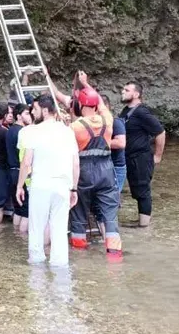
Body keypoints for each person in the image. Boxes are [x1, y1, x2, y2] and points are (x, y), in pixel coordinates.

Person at [16, 94, 79, 267]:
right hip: (62, 186)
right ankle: (60, 270)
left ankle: (36, 270)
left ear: (44, 110)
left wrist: (19, 186)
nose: (33, 112)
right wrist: (74, 189)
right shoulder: (67, 131)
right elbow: (75, 163)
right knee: (59, 229)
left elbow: (26, 162)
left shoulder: (33, 131)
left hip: (40, 185)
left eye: (35, 109)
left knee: (37, 228)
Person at [68, 77, 122, 259]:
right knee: (110, 215)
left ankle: (80, 254)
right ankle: (114, 256)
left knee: (79, 212)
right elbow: (99, 101)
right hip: (106, 169)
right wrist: (86, 84)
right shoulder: (108, 120)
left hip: (84, 171)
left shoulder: (74, 127)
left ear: (80, 105)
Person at [120, 81, 166, 227]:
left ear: (136, 94)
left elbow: (160, 132)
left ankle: (144, 225)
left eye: (126, 90)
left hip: (141, 157)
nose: (122, 91)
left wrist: (158, 156)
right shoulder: (125, 111)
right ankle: (141, 220)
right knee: (136, 190)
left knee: (143, 189)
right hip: (130, 157)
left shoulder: (142, 112)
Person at [6, 103, 32, 234]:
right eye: (27, 113)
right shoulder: (23, 132)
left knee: (18, 208)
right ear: (19, 116)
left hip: (11, 172)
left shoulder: (9, 129)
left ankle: (15, 235)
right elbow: (25, 158)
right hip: (21, 172)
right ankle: (22, 240)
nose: (30, 115)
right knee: (27, 210)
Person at [101, 94, 128, 196]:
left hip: (116, 167)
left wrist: (97, 142)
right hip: (103, 165)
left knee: (111, 198)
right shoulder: (98, 123)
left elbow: (121, 143)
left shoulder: (116, 122)